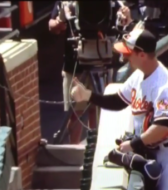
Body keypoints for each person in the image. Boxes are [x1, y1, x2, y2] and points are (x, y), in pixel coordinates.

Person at [71, 27, 168, 190]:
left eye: (129, 54)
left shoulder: (164, 86)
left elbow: (163, 127)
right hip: (152, 152)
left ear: (142, 54)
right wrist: (89, 96)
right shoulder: (139, 75)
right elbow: (120, 100)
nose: (125, 58)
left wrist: (133, 144)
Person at [48, 1, 133, 144]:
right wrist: (59, 22)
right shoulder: (68, 2)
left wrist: (126, 18)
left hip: (103, 63)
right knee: (75, 114)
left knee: (99, 110)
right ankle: (74, 150)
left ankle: (96, 148)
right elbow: (52, 25)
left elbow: (124, 22)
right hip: (75, 66)